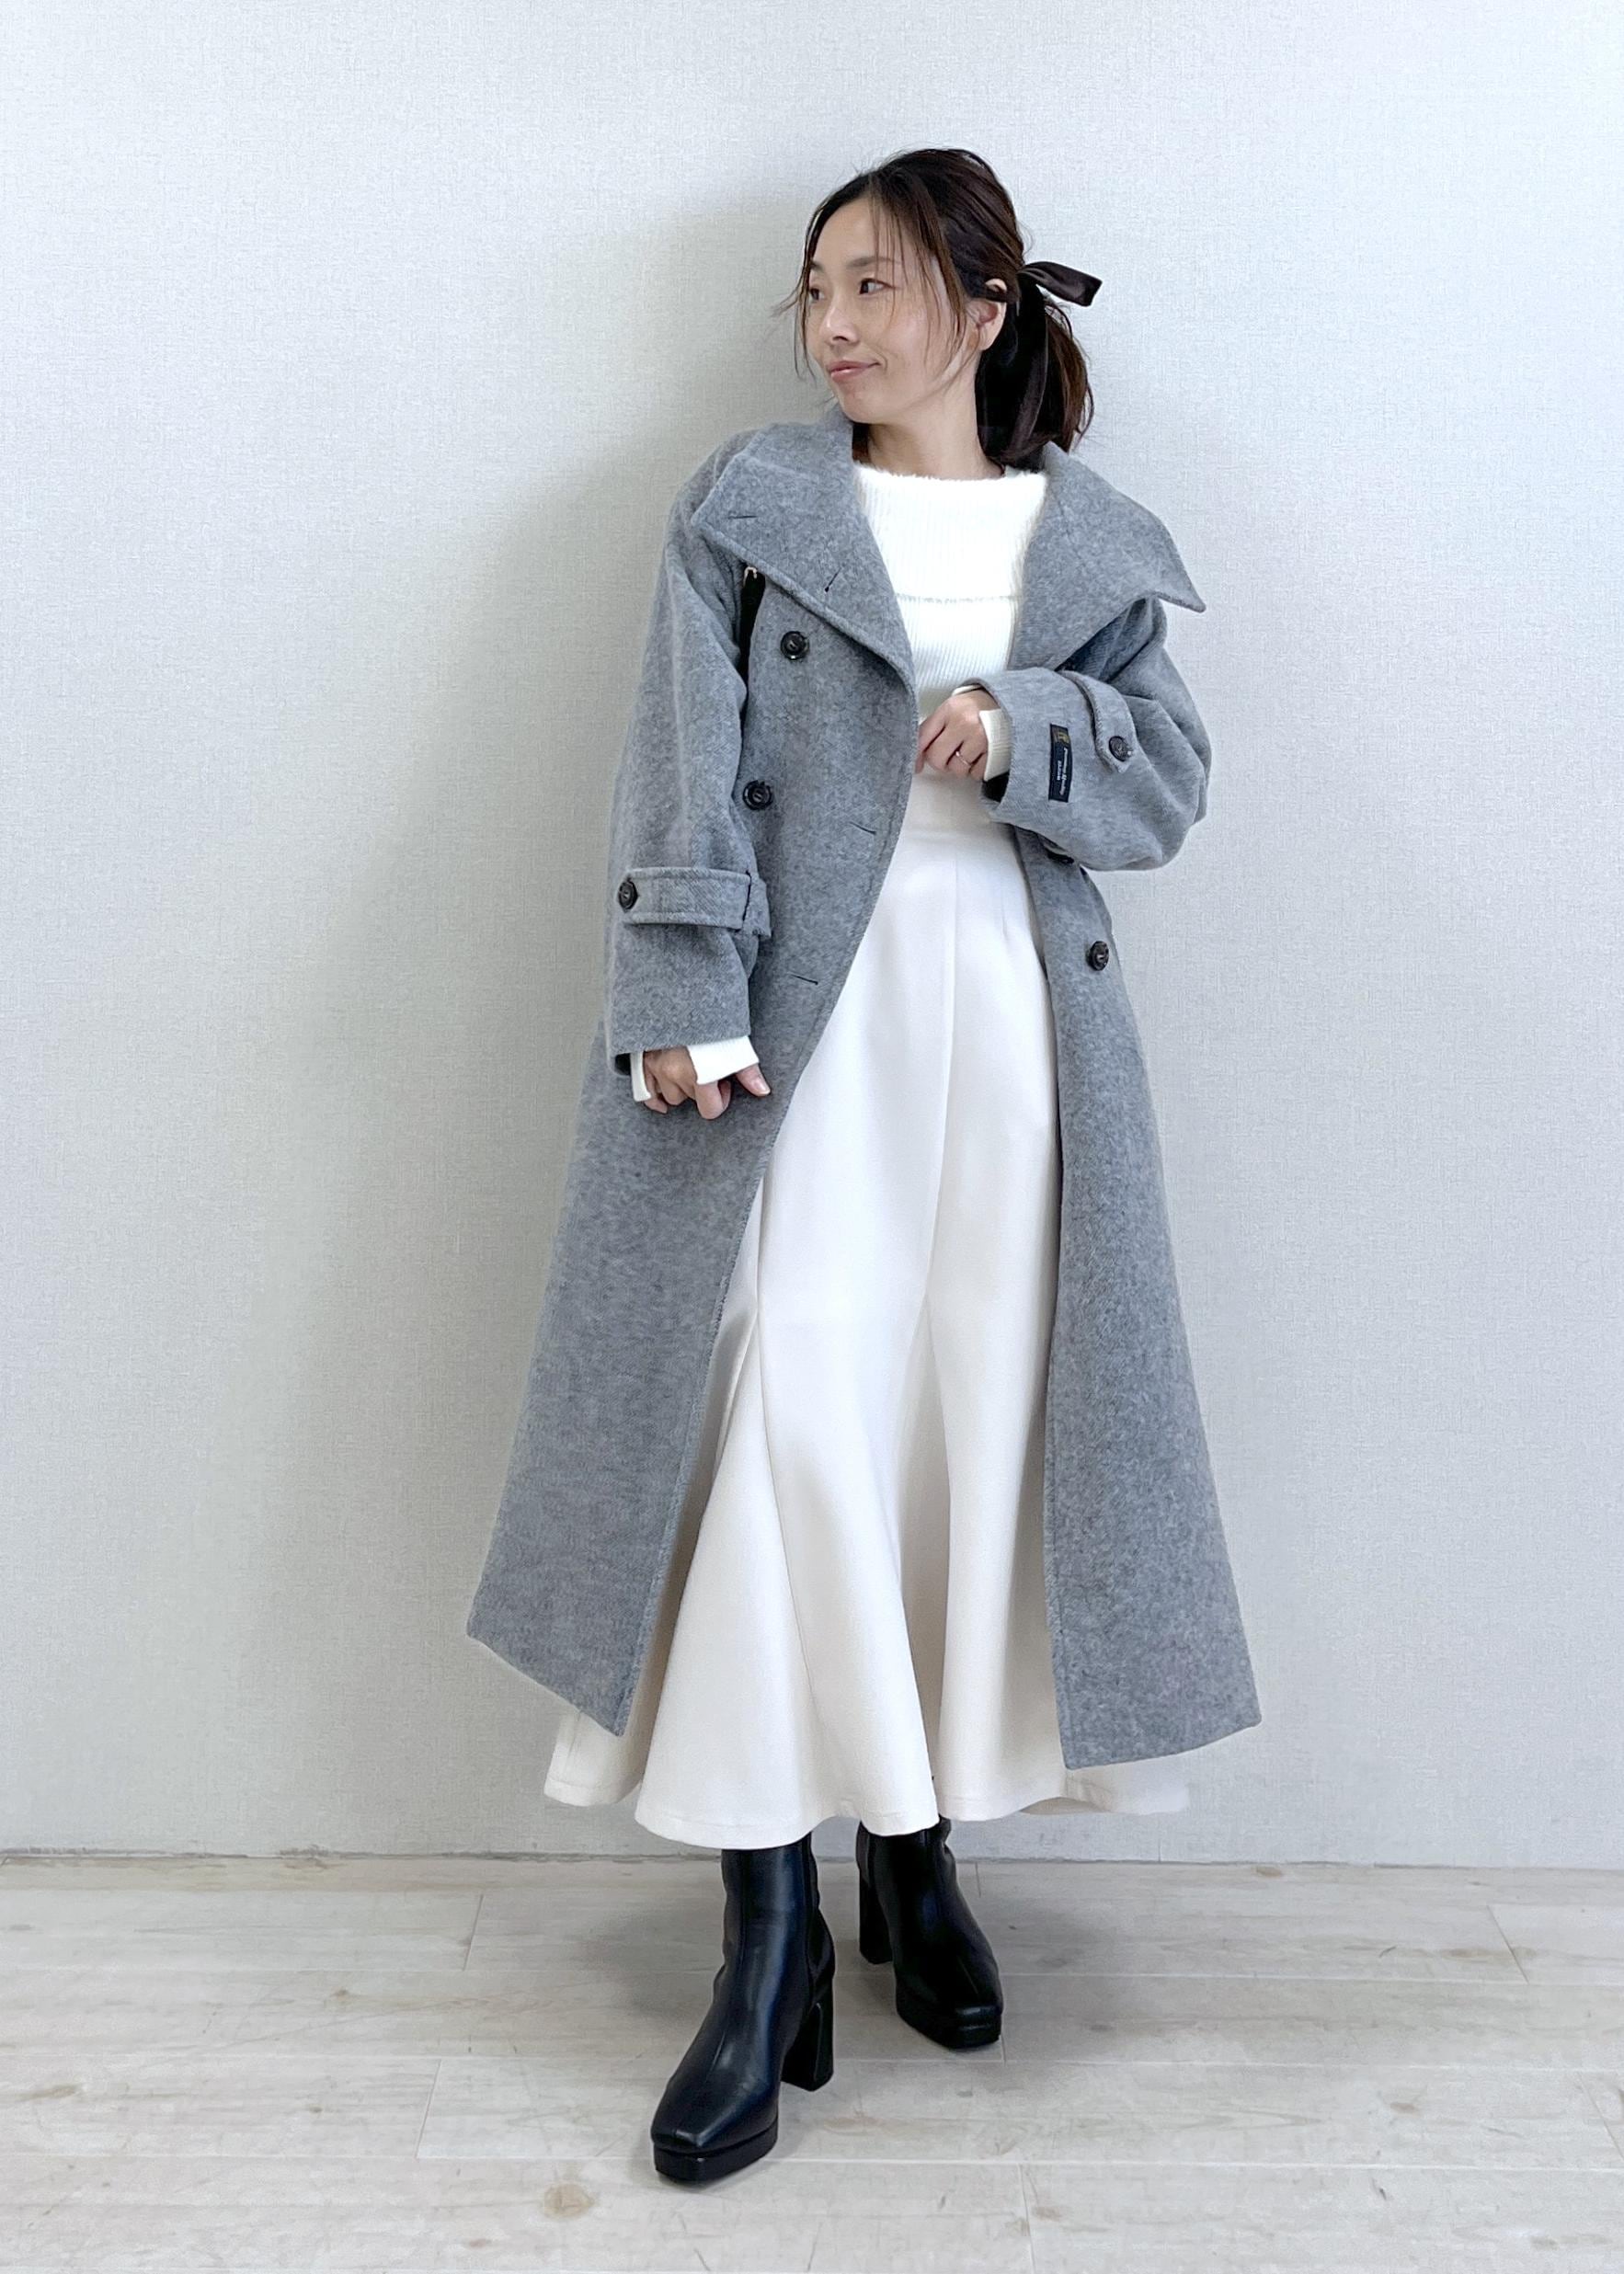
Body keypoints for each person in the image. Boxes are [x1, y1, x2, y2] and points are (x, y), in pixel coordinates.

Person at [465, 145, 1262, 2187]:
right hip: (789, 1041)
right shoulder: (752, 508)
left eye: (878, 285)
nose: (833, 323)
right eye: (816, 287)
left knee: (953, 1438)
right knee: (786, 1424)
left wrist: (1028, 724)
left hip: (1010, 1044)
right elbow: (671, 760)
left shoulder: (1087, 540)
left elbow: (1164, 788)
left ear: (986, 310)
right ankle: (763, 1935)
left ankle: (914, 1858)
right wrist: (677, 982)